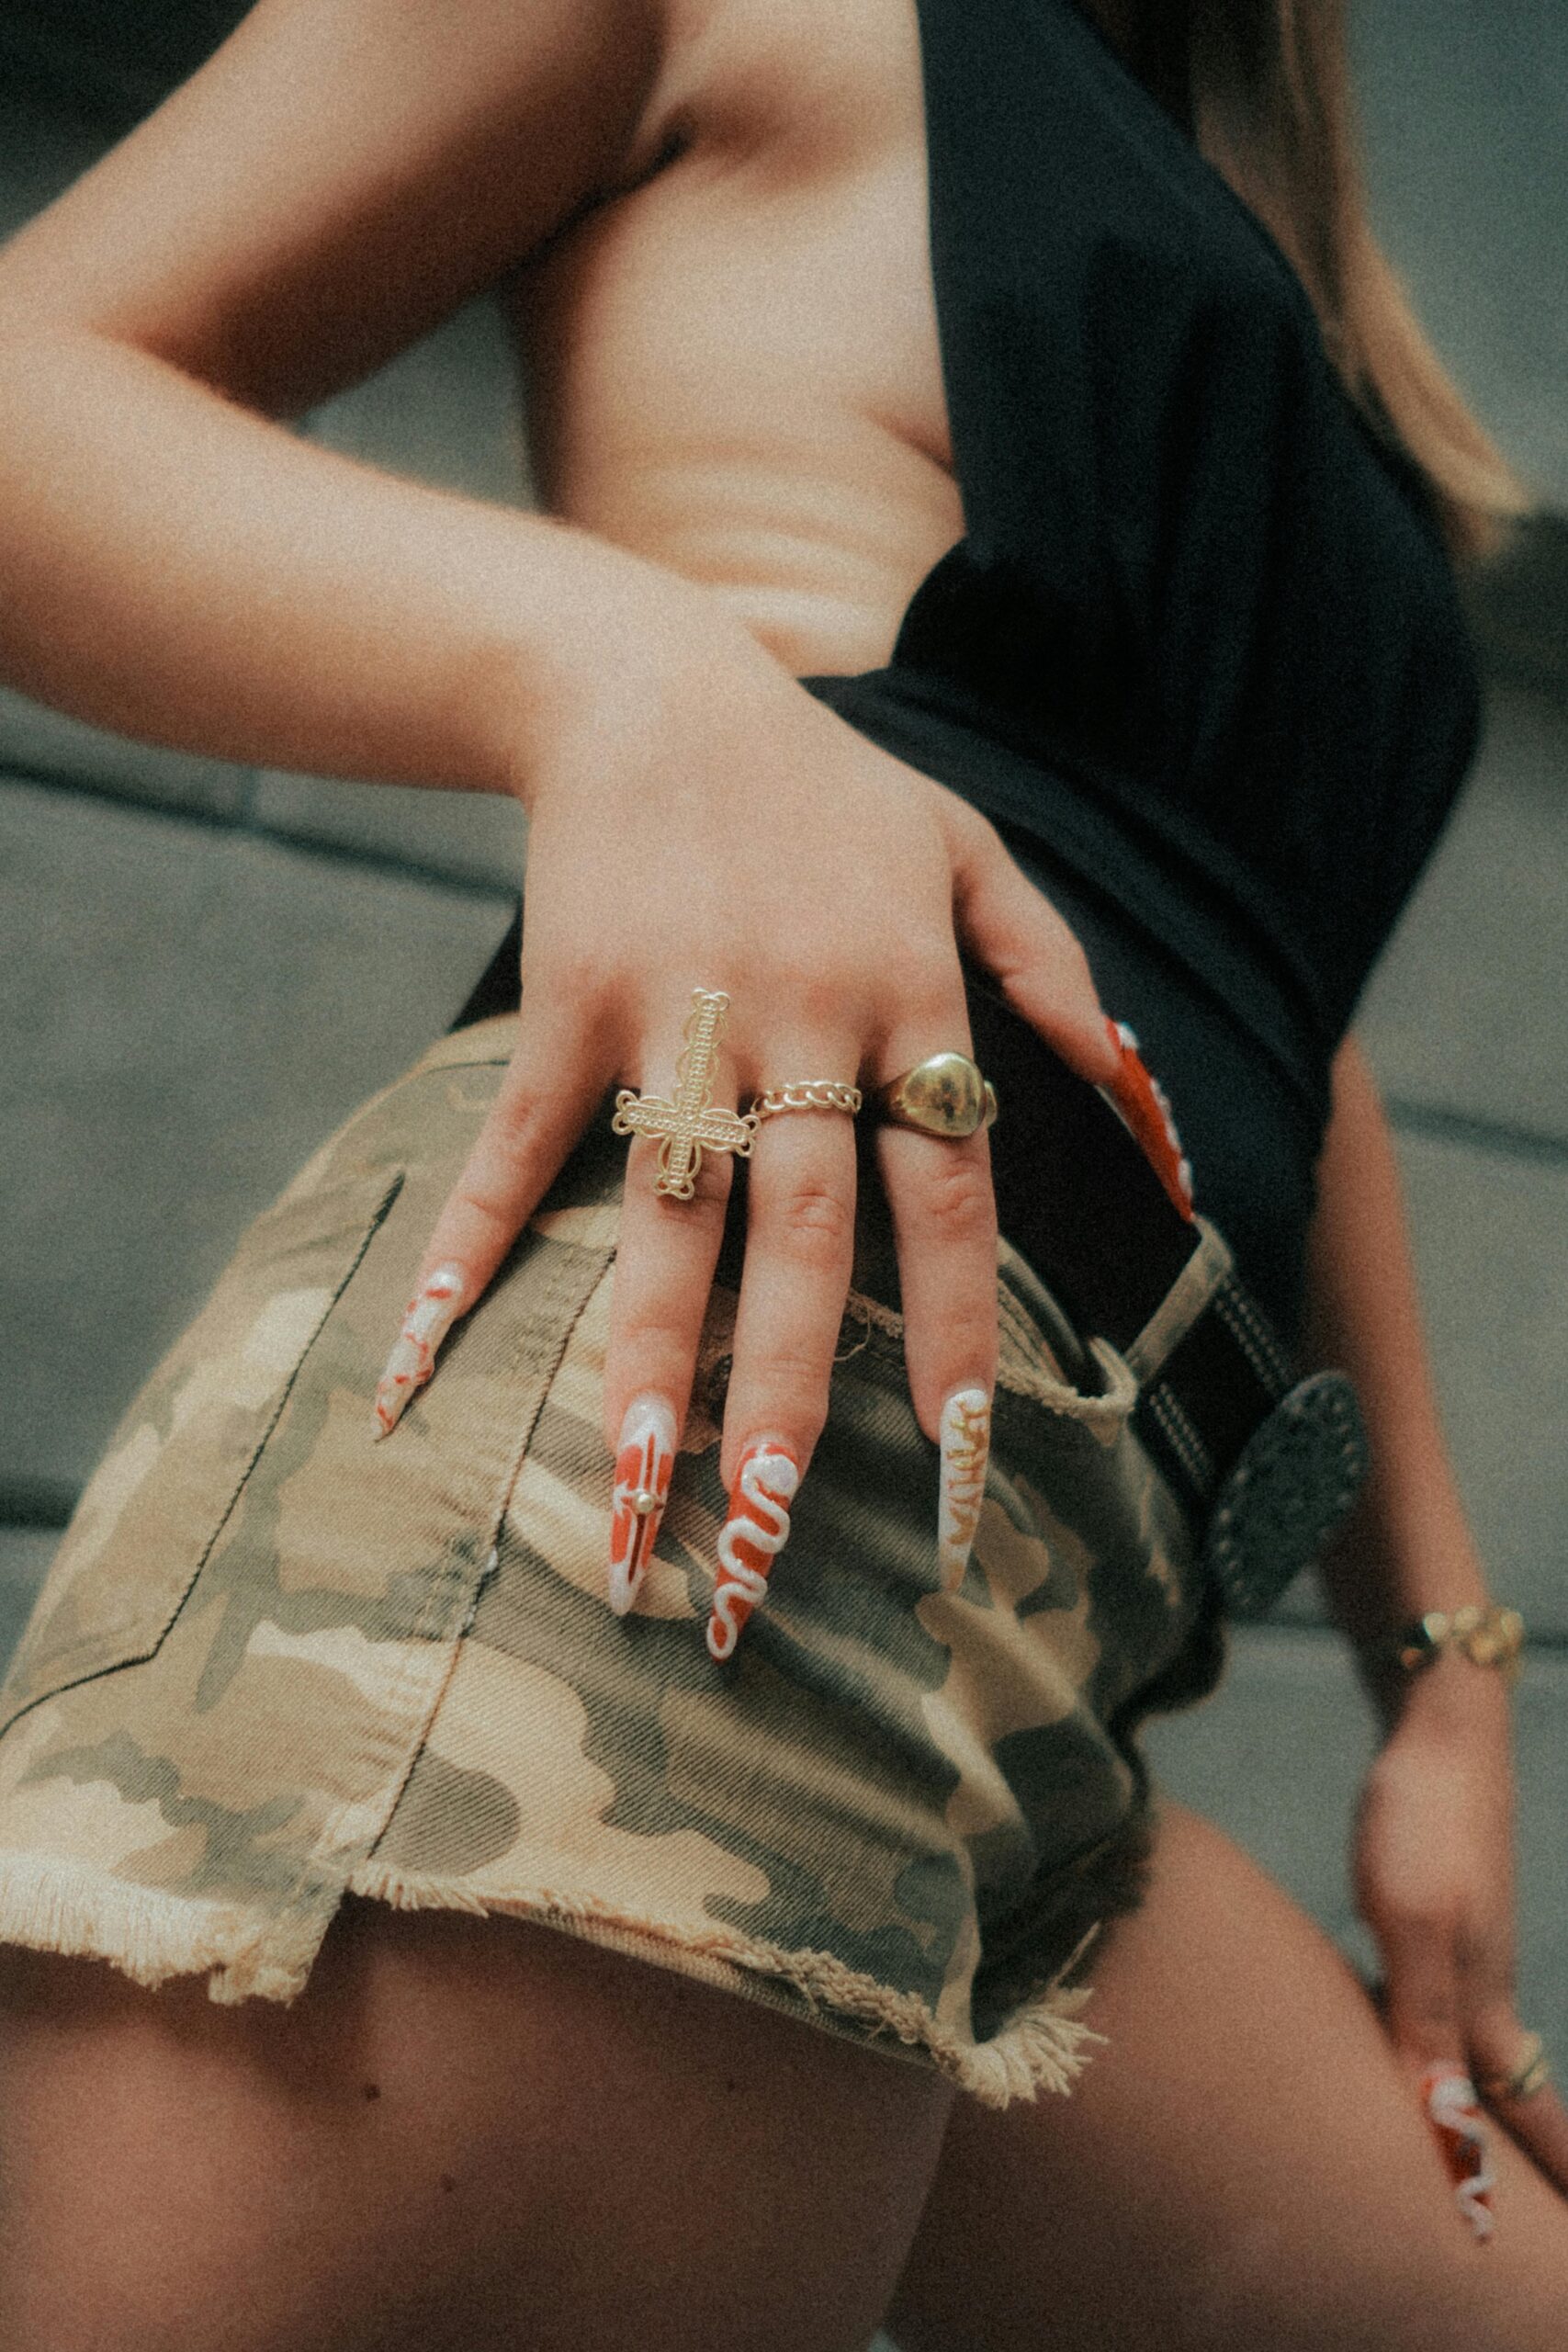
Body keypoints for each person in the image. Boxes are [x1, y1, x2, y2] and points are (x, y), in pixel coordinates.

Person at [0, 0, 1563, 2344]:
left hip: (1037, 1604)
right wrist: (614, 664)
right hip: (713, 1425)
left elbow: (1273, 1008)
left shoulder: (1269, 241)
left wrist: (1438, 1672)